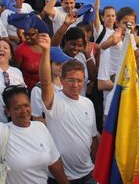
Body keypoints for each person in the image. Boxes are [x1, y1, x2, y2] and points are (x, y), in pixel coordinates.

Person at [0, 85, 69, 184]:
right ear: (8, 111)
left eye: (26, 105)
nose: (23, 111)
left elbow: (54, 163)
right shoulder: (1, 131)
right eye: (17, 108)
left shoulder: (40, 127)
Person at [39, 33, 100, 183]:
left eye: (79, 81)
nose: (75, 85)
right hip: (60, 177)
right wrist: (46, 52)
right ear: (62, 80)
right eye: (71, 80)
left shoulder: (88, 103)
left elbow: (92, 139)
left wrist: (98, 166)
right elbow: (46, 82)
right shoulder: (54, 101)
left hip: (88, 173)